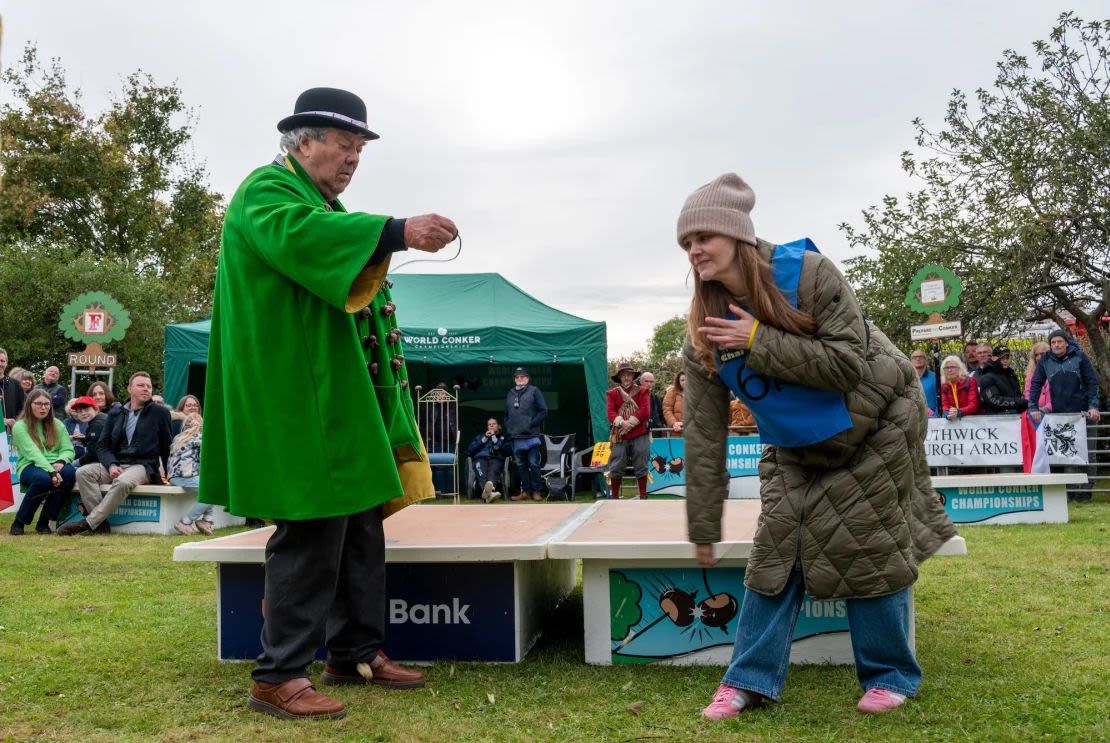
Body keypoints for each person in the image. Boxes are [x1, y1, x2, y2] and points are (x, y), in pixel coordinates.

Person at [198, 87, 457, 721]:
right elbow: (304, 238)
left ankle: (356, 652)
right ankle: (277, 675)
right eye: (343, 145)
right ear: (302, 140)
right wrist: (395, 230)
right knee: (311, 529)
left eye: (359, 150)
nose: (351, 160)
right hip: (293, 398)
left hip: (333, 397)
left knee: (361, 526)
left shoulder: (318, 202)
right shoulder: (267, 192)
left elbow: (330, 246)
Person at [677, 173, 955, 720]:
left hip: (878, 417)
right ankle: (748, 680)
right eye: (686, 243)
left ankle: (890, 674)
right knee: (776, 547)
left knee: (865, 538)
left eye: (703, 237)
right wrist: (703, 527)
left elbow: (847, 365)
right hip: (796, 444)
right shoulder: (702, 329)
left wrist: (758, 340)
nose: (694, 250)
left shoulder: (808, 274)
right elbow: (704, 437)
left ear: (735, 234)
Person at [60, 371, 172, 536]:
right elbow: (102, 445)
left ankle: (89, 522)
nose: (146, 389)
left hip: (143, 465)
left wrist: (169, 474)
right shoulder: (115, 413)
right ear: (129, 389)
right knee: (83, 472)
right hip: (116, 462)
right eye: (141, 385)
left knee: (122, 482)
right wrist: (111, 464)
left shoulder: (160, 413)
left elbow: (166, 446)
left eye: (149, 386)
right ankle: (101, 526)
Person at [1028, 330, 1101, 502]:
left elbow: (1092, 382)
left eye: (1060, 342)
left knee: (1089, 453)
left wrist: (1093, 406)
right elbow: (1036, 384)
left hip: (1083, 414)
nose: (1056, 345)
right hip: (1061, 415)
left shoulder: (1080, 357)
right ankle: (1071, 490)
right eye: (1053, 343)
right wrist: (1033, 407)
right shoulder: (1045, 360)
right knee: (1067, 453)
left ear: (1066, 343)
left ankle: (1086, 490)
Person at [8, 390, 77, 535]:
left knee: (70, 473)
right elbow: (33, 453)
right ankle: (20, 521)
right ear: (29, 405)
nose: (43, 407)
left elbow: (68, 449)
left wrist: (61, 461)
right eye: (38, 404)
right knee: (43, 479)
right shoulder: (20, 426)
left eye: (47, 404)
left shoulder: (58, 424)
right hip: (29, 464)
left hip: (55, 464)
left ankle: (44, 522)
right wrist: (51, 471)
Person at [605, 363, 651, 499]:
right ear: (619, 377)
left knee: (641, 462)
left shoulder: (642, 391)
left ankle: (643, 495)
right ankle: (614, 497)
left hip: (639, 433)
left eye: (628, 374)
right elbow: (610, 412)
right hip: (620, 435)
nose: (626, 377)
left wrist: (630, 423)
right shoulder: (612, 394)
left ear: (633, 376)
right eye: (623, 375)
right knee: (616, 464)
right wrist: (622, 422)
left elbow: (645, 411)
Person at [505, 367, 548, 502]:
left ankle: (536, 491)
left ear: (527, 378)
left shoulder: (534, 391)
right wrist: (508, 425)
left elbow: (543, 411)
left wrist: (531, 424)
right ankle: (525, 492)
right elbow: (506, 413)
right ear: (514, 379)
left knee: (533, 464)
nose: (519, 379)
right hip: (515, 436)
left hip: (531, 435)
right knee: (520, 466)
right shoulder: (510, 393)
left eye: (522, 377)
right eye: (517, 377)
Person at [171, 413, 213, 535]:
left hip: (175, 477)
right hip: (185, 476)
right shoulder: (198, 437)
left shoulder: (178, 437)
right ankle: (185, 522)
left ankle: (207, 520)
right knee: (210, 493)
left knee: (209, 489)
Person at [466, 417, 511, 502]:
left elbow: (507, 451)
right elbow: (469, 451)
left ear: (498, 426)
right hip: (480, 459)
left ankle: (486, 493)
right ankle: (490, 493)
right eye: (489, 424)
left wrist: (494, 439)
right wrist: (484, 439)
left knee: (493, 471)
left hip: (496, 458)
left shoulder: (503, 437)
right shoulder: (480, 437)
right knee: (481, 469)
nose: (491, 426)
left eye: (494, 424)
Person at [976, 345, 1028, 415]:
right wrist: (1019, 402)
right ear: (993, 358)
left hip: (1014, 417)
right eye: (1001, 358)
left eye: (1007, 357)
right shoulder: (987, 377)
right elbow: (993, 400)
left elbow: (1018, 396)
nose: (1005, 360)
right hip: (996, 420)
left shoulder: (1012, 375)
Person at [62, 395, 102, 461]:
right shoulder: (65, 422)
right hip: (71, 448)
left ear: (96, 409)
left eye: (86, 409)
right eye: (80, 411)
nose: (83, 413)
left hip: (95, 457)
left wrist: (83, 437)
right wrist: (72, 437)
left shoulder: (95, 423)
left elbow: (93, 451)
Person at [939, 355, 980, 420]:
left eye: (952, 367)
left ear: (960, 368)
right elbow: (945, 405)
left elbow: (974, 405)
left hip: (973, 421)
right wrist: (947, 413)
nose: (949, 370)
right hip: (953, 420)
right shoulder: (944, 385)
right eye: (946, 368)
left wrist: (959, 412)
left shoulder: (970, 381)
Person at [0, 347, 27, 432]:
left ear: (6, 363)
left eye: (2, 361)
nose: (0, 364)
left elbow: (23, 409)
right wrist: (2, 421)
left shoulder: (16, 385)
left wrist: (16, 421)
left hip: (10, 435)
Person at [1024, 341, 1051, 412]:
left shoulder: (1055, 371)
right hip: (1035, 414)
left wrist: (1047, 408)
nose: (1039, 357)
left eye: (1042, 354)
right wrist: (1033, 408)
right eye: (1036, 355)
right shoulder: (1030, 375)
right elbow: (1027, 394)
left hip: (1054, 412)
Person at [909, 349, 938, 416]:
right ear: (911, 361)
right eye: (914, 357)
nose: (918, 359)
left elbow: (941, 401)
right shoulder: (907, 379)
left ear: (926, 360)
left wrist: (936, 416)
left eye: (921, 356)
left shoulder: (935, 378)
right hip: (913, 419)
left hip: (933, 420)